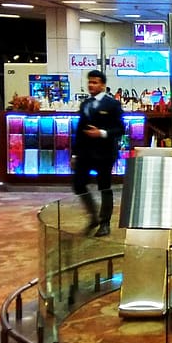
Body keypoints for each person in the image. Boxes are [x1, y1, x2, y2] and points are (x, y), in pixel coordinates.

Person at [73, 69, 124, 237]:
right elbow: (79, 130)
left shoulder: (112, 104)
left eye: (95, 82)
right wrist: (74, 153)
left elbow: (120, 129)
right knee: (78, 184)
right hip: (85, 152)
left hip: (104, 152)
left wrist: (101, 133)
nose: (91, 85)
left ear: (102, 85)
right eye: (89, 82)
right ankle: (93, 215)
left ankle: (105, 222)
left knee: (104, 187)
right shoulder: (85, 104)